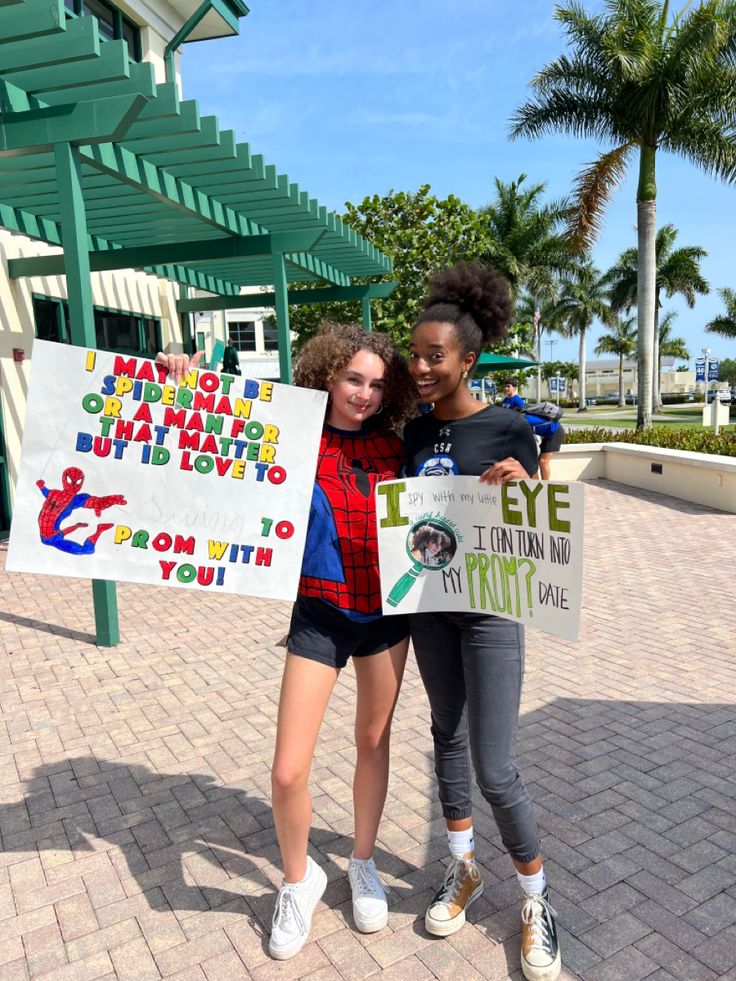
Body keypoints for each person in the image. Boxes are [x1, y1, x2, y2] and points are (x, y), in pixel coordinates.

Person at [156, 328, 415, 960]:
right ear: (327, 375)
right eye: (354, 379)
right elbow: (214, 444)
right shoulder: (288, 436)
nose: (365, 394)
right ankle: (299, 881)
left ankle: (361, 861)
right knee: (287, 769)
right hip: (320, 612)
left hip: (387, 613)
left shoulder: (397, 446)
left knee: (372, 741)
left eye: (379, 384)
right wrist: (179, 388)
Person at [404, 262, 561, 981]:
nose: (422, 366)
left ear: (469, 359)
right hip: (431, 612)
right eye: (416, 354)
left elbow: (534, 527)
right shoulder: (411, 432)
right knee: (446, 736)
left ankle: (535, 897)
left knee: (496, 765)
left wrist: (527, 488)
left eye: (436, 356)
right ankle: (463, 868)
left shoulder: (510, 427)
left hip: (492, 613)